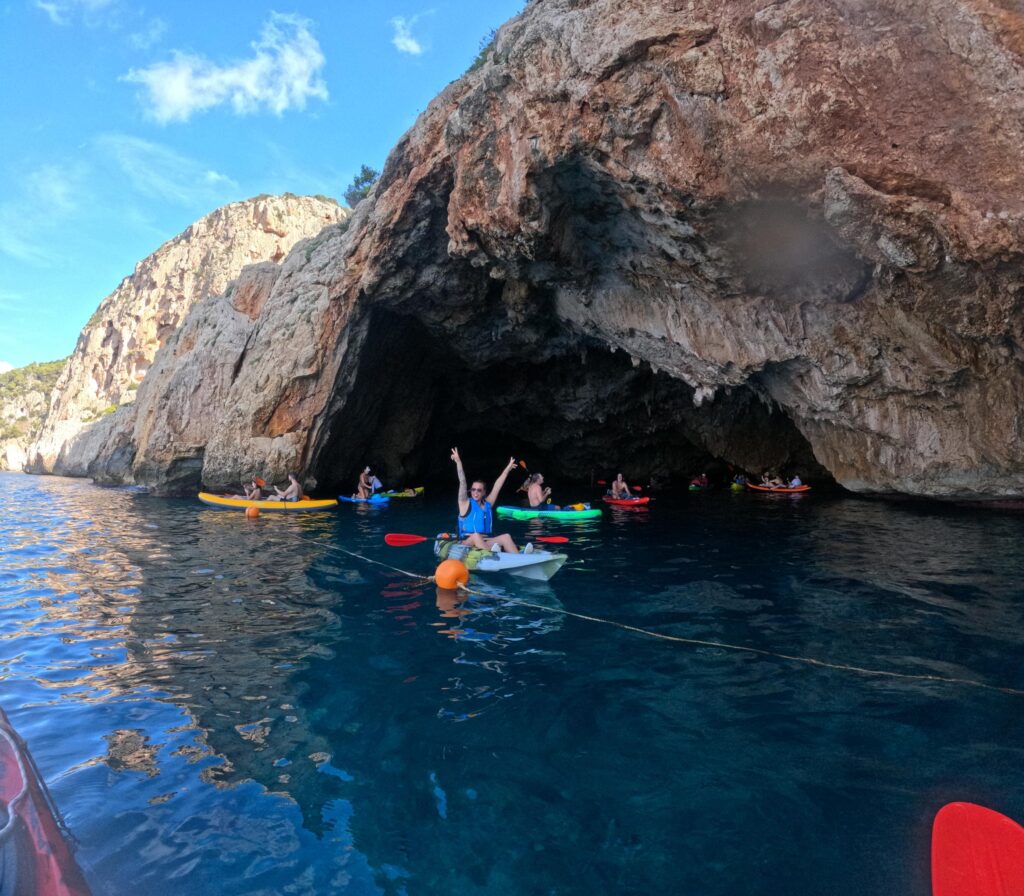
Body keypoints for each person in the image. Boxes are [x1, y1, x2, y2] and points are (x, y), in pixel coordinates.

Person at [451, 447, 524, 554]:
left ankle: (519, 559)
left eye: (479, 490)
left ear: (484, 492)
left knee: (506, 537)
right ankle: (493, 555)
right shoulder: (464, 503)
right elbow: (462, 482)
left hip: (485, 541)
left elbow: (497, 486)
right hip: (467, 543)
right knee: (476, 535)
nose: (475, 492)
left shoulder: (487, 504)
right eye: (473, 489)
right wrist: (458, 462)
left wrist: (507, 469)